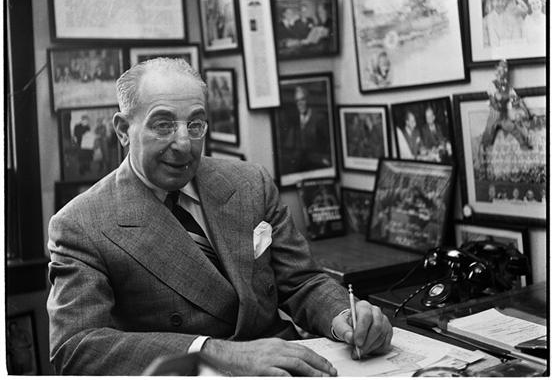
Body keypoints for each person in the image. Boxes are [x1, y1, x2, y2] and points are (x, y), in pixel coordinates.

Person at [47, 58, 392, 375]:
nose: (184, 144)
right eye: (163, 125)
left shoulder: (250, 183)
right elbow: (75, 347)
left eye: (195, 124)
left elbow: (302, 281)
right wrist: (209, 352)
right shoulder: (81, 225)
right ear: (123, 129)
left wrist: (345, 316)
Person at [284, 85, 332, 174]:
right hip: (300, 167)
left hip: (318, 166)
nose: (300, 103)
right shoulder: (294, 122)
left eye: (302, 99)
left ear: (308, 100)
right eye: (297, 101)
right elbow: (289, 147)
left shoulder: (320, 119)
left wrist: (324, 159)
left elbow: (330, 144)